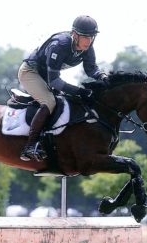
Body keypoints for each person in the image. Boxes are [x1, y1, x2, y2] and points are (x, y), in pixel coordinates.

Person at [18, 15, 110, 162]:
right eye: (86, 37)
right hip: (31, 72)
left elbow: (91, 68)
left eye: (92, 36)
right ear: (74, 34)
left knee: (66, 102)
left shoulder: (88, 47)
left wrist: (103, 77)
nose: (89, 41)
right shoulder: (60, 45)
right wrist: (80, 91)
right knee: (49, 102)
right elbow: (54, 81)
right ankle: (30, 146)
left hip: (46, 75)